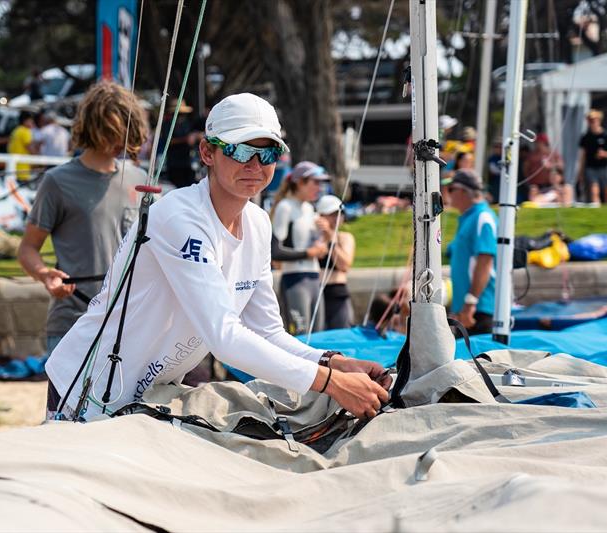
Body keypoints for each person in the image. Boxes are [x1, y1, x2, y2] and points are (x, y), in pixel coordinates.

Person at [44, 92, 390, 421]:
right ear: (207, 153)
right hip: (84, 388)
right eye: (240, 151)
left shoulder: (257, 223)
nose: (254, 165)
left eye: (267, 153)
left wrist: (333, 362)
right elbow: (224, 338)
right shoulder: (179, 217)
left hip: (147, 393)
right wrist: (330, 384)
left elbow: (268, 332)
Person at [18, 81, 148, 363]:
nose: (120, 144)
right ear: (93, 128)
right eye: (113, 134)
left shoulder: (139, 179)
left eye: (126, 135)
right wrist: (45, 275)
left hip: (129, 324)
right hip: (72, 324)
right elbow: (27, 249)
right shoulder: (57, 181)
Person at [270, 161, 331, 334]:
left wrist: (326, 235)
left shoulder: (310, 209)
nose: (319, 188)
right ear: (300, 182)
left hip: (314, 278)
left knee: (318, 336)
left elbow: (319, 251)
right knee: (300, 334)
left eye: (321, 183)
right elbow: (275, 251)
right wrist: (308, 253)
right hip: (294, 280)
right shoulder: (285, 207)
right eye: (315, 183)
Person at [443, 170, 498, 335]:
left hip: (479, 309)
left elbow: (485, 262)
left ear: (463, 191)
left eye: (451, 189)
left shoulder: (483, 218)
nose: (447, 193)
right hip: (467, 309)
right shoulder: (469, 218)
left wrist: (470, 303)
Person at [315, 195, 356, 330]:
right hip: (315, 292)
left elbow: (344, 265)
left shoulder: (344, 238)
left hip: (336, 293)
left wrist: (331, 239)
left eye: (339, 214)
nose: (337, 218)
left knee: (341, 336)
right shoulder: (312, 237)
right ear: (320, 216)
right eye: (332, 215)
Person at [577, 109, 607, 205]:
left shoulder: (606, 135)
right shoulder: (585, 137)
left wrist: (605, 154)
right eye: (589, 120)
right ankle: (596, 206)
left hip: (604, 166)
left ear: (599, 120)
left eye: (594, 120)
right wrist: (580, 172)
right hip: (591, 167)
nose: (592, 122)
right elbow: (582, 156)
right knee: (594, 189)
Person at [162, 100, 201, 188]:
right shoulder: (167, 125)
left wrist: (197, 137)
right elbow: (168, 141)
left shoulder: (187, 124)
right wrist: (186, 139)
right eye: (179, 114)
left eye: (182, 114)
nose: (181, 116)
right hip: (174, 164)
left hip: (187, 162)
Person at [523, 133, 564, 204]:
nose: (538, 144)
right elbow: (525, 168)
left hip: (550, 184)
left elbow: (561, 166)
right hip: (536, 184)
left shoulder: (553, 154)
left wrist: (551, 166)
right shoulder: (532, 155)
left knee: (555, 196)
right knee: (534, 197)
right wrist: (528, 180)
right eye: (537, 143)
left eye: (539, 142)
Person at [8, 110, 38, 181]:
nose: (32, 124)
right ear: (26, 121)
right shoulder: (25, 131)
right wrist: (40, 161)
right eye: (31, 121)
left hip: (13, 167)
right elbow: (30, 148)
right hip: (22, 169)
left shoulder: (16, 130)